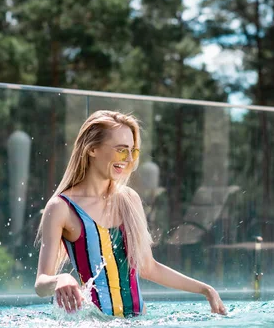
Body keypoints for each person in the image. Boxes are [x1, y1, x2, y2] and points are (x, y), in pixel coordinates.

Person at [35, 110, 226, 317]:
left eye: (132, 151)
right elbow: (41, 284)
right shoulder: (61, 207)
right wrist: (60, 279)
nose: (127, 159)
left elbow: (148, 267)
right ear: (92, 149)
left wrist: (205, 289)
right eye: (120, 150)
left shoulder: (129, 200)